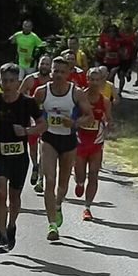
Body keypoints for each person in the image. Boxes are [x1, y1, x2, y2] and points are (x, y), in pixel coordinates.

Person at [0, 63, 47, 253]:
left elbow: (43, 125)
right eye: (4, 81)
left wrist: (27, 130)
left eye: (11, 81)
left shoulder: (28, 103)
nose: (7, 84)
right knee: (1, 193)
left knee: (14, 196)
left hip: (19, 157)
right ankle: (1, 236)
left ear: (18, 81)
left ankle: (11, 225)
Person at [34, 56, 94, 241]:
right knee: (49, 180)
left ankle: (58, 204)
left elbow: (89, 117)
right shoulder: (41, 92)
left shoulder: (76, 93)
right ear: (50, 71)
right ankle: (52, 224)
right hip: (49, 138)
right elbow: (31, 112)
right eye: (55, 71)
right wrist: (38, 124)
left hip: (68, 140)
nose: (58, 75)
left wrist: (74, 123)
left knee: (62, 183)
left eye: (62, 71)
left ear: (69, 73)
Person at [74, 67, 112, 221]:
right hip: (80, 141)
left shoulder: (105, 101)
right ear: (87, 80)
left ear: (102, 81)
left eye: (98, 80)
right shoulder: (79, 97)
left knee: (94, 174)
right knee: (80, 174)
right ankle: (79, 182)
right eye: (92, 79)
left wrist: (108, 125)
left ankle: (87, 207)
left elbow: (109, 118)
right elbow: (72, 115)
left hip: (96, 141)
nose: (95, 83)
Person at [18, 55, 53, 191]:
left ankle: (41, 179)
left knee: (43, 148)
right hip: (32, 118)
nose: (44, 66)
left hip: (48, 118)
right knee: (32, 148)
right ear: (38, 64)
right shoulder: (30, 79)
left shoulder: (53, 80)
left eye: (47, 64)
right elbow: (19, 96)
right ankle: (35, 165)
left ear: (50, 67)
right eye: (42, 63)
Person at [118, 16, 138, 95]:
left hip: (129, 56)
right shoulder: (120, 33)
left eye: (128, 23)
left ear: (131, 24)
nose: (126, 25)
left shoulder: (133, 34)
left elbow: (136, 45)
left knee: (122, 74)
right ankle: (127, 74)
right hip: (120, 56)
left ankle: (119, 91)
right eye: (125, 23)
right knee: (120, 75)